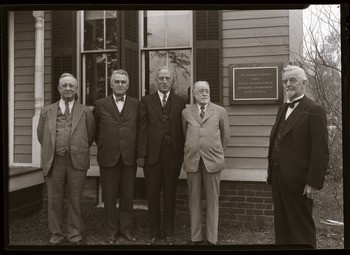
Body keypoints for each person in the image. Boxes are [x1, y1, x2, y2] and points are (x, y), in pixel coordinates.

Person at [267, 65, 329, 248]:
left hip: (300, 181)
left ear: (303, 82)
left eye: (292, 80)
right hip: (278, 178)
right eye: (285, 81)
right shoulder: (283, 108)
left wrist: (313, 181)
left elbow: (320, 150)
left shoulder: (314, 109)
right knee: (282, 228)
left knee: (301, 230)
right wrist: (271, 170)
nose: (288, 84)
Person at [37, 73, 95, 245]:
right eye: (64, 85)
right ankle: (56, 234)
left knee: (75, 200)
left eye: (71, 86)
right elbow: (41, 135)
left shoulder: (85, 111)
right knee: (54, 200)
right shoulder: (47, 111)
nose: (68, 88)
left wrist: (77, 148)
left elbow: (91, 135)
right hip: (54, 161)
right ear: (59, 88)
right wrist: (54, 150)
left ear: (77, 89)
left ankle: (74, 234)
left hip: (76, 161)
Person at [137, 66, 186, 244]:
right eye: (161, 79)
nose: (164, 82)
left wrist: (182, 155)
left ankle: (169, 232)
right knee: (152, 193)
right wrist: (141, 156)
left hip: (173, 155)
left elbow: (183, 130)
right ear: (155, 81)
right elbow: (141, 130)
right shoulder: (146, 101)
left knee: (170, 193)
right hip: (152, 156)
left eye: (167, 78)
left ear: (172, 81)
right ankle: (153, 232)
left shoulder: (180, 102)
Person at [92, 69, 139, 244]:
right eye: (117, 82)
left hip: (129, 158)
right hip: (108, 157)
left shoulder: (136, 104)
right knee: (109, 198)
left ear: (128, 85)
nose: (120, 85)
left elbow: (140, 130)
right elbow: (94, 130)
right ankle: (110, 232)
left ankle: (126, 230)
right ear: (111, 84)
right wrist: (105, 144)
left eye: (123, 82)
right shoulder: (100, 104)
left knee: (127, 197)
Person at [182, 81, 229, 245]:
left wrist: (217, 152)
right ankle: (196, 237)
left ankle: (212, 237)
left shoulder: (220, 111)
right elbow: (184, 134)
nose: (204, 94)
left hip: (213, 160)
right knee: (193, 199)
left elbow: (225, 136)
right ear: (194, 94)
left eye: (207, 91)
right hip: (193, 160)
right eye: (201, 91)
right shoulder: (186, 112)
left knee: (212, 200)